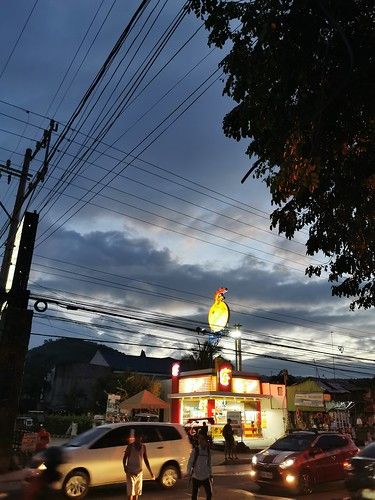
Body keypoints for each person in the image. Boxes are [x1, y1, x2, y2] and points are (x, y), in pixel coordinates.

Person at [123, 430, 155, 500]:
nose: (138, 439)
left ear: (141, 438)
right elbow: (124, 458)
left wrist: (151, 472)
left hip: (139, 473)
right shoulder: (130, 446)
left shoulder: (143, 447)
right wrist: (125, 467)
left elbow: (146, 460)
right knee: (131, 493)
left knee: (137, 493)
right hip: (130, 473)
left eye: (139, 437)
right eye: (137, 437)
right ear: (135, 438)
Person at [188, 433, 212, 500]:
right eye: (199, 438)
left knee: (209, 494)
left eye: (202, 439)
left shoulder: (208, 451)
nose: (200, 440)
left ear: (206, 440)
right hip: (196, 476)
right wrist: (189, 471)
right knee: (194, 495)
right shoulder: (195, 450)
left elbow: (209, 463)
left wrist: (210, 474)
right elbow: (190, 461)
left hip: (205, 476)